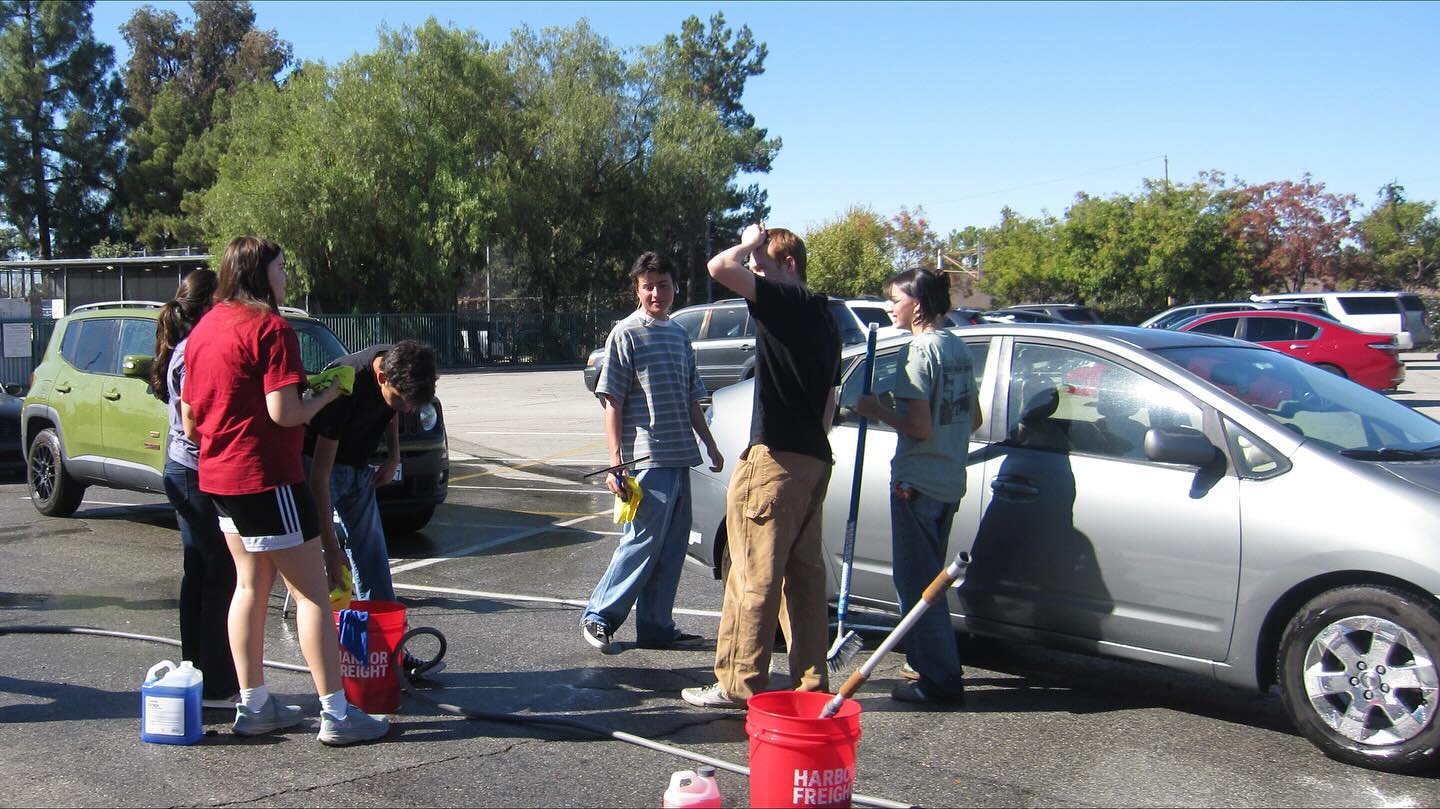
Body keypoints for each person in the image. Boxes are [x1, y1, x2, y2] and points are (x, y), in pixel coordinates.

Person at [182, 235, 389, 745]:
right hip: (267, 476)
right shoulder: (270, 327)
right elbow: (284, 412)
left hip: (219, 479)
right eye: (281, 267)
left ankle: (254, 706)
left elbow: (190, 420)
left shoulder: (206, 327)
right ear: (258, 273)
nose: (287, 276)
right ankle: (337, 714)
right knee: (313, 594)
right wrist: (327, 392)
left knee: (249, 586)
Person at [682, 224, 841, 709]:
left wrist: (750, 240)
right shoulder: (827, 316)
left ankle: (738, 682)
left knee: (752, 576)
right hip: (813, 458)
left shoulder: (785, 302)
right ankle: (813, 684)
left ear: (787, 266)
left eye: (762, 268)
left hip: (775, 459)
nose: (753, 275)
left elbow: (718, 268)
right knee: (804, 578)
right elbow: (829, 403)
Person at [581, 252, 724, 653]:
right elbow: (613, 401)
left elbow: (693, 397)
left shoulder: (679, 335)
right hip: (645, 460)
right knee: (642, 541)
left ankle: (657, 626)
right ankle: (599, 616)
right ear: (637, 289)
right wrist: (615, 463)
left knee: (672, 547)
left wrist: (709, 444)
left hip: (680, 456)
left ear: (675, 287)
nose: (656, 293)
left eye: (663, 285)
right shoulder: (625, 333)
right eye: (648, 286)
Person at [856, 268, 981, 706]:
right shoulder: (958, 348)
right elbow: (975, 418)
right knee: (932, 579)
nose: (891, 307)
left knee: (917, 584)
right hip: (949, 480)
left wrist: (877, 408)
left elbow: (919, 427)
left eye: (896, 299)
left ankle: (939, 681)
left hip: (917, 480)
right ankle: (932, 660)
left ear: (919, 304)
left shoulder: (918, 351)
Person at [152, 268, 240, 709]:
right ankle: (216, 680)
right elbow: (195, 421)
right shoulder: (192, 351)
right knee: (217, 573)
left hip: (186, 468)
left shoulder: (186, 347)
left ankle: (198, 669)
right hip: (193, 470)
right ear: (207, 307)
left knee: (202, 572)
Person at [304, 339, 437, 606]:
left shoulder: (397, 362)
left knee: (372, 547)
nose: (408, 408)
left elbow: (392, 411)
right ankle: (326, 622)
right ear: (381, 377)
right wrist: (330, 549)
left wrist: (394, 455)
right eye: (401, 400)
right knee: (322, 554)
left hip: (357, 464)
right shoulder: (345, 386)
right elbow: (319, 475)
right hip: (317, 463)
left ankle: (381, 620)